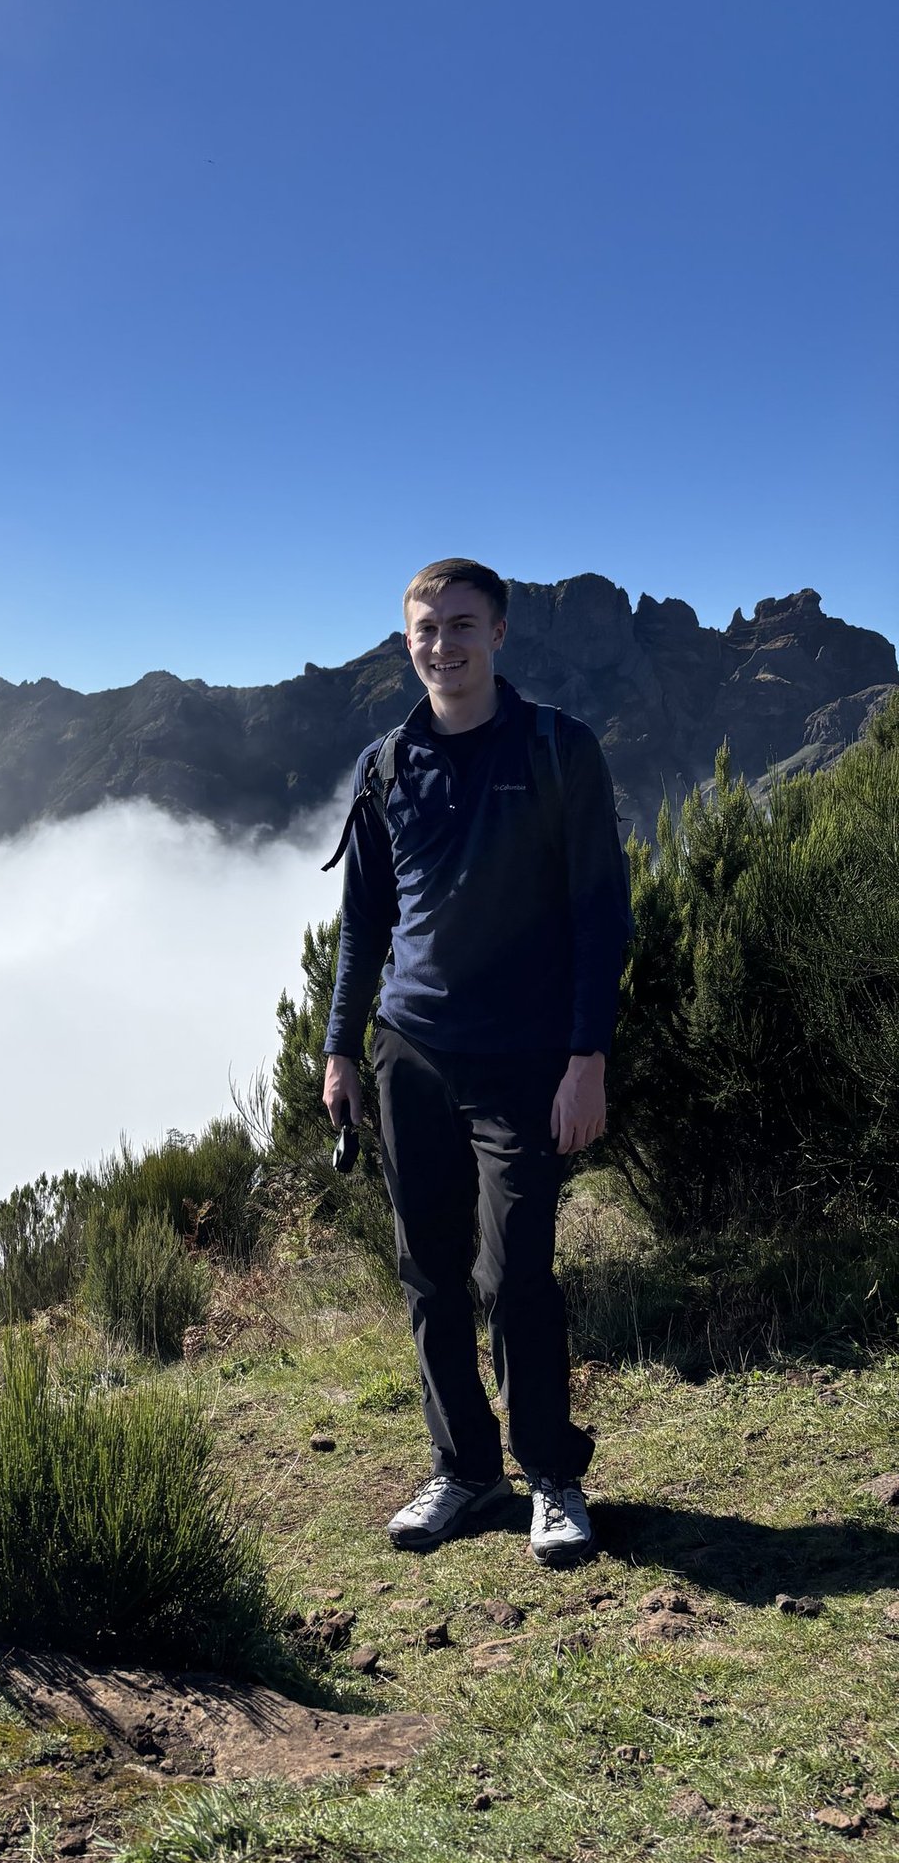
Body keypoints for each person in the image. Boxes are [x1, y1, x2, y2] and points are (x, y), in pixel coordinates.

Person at [321, 557, 631, 1565]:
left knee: (519, 1274)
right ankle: (463, 1472)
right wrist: (339, 1048)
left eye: (460, 626)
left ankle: (550, 1475)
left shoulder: (555, 748)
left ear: (498, 634)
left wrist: (586, 1058)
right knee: (427, 1275)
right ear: (405, 641)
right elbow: (363, 921)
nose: (442, 646)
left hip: (525, 1060)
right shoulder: (386, 764)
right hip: (409, 1054)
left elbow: (599, 914)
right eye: (425, 629)